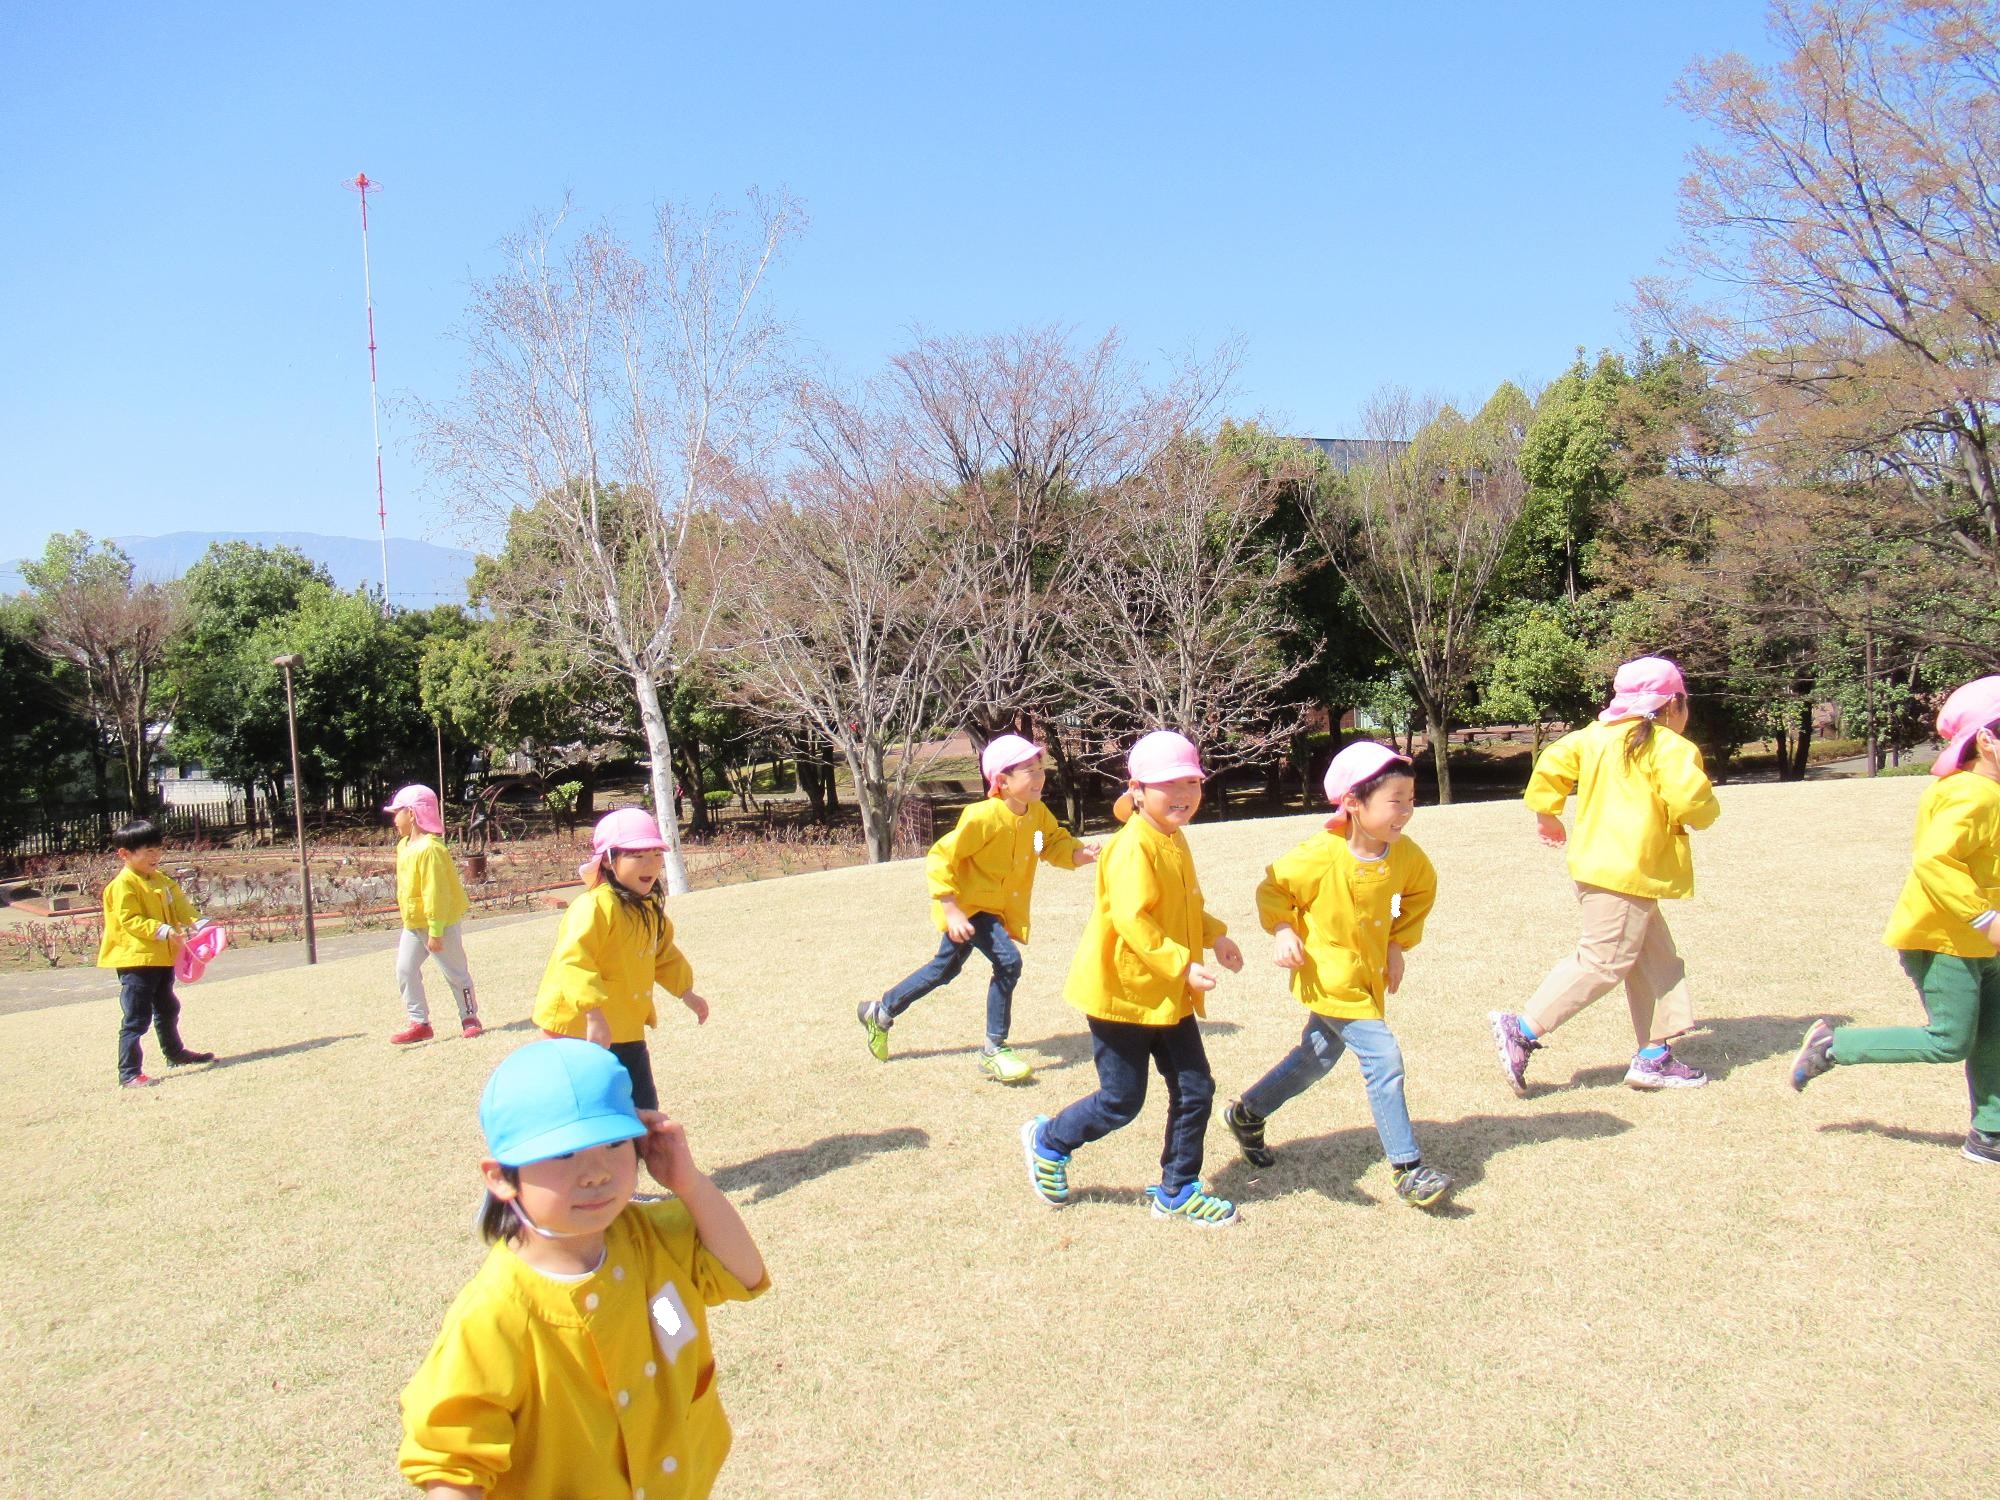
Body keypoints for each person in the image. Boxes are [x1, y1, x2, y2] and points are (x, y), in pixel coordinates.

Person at [398, 1038, 768, 1497]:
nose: (596, 1172)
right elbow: (452, 1463)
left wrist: (688, 1182)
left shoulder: (655, 1237)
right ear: (499, 1176)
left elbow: (745, 1273)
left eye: (613, 1143)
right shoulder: (495, 1313)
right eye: (563, 1153)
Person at [1020, 730, 1245, 1224]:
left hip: (1166, 995)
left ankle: (1178, 1189)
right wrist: (1182, 964)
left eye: (1192, 781)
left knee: (1195, 1089)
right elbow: (1133, 920)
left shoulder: (1173, 838)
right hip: (1120, 994)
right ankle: (1049, 1140)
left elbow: (1186, 906)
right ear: (1137, 789)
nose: (1184, 793)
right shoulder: (1132, 847)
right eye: (1170, 784)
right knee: (1121, 1101)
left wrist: (1215, 937)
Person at [1222, 742, 1453, 1208]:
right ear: (1352, 802)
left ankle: (1247, 1113)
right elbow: (1275, 889)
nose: (1406, 811)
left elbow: (1415, 894)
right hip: (1329, 974)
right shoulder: (1319, 854)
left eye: (1411, 799)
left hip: (1366, 975)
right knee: (1383, 1058)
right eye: (1395, 801)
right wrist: (1284, 930)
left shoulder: (1405, 855)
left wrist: (1395, 943)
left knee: (1316, 1057)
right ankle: (1408, 1170)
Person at [1791, 676, 2000, 1165]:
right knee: (1950, 1040)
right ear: (1986, 739)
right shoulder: (1972, 794)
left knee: (1995, 1036)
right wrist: (1986, 918)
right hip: (1944, 940)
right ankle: (1833, 1046)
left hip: (1983, 940)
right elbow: (1935, 860)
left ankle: (1989, 1132)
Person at [1490, 655, 1721, 1094]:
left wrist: (1547, 813)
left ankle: (1654, 1056)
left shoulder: (1593, 737)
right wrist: (1706, 813)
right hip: (1627, 870)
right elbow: (1693, 802)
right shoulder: (1669, 746)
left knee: (1656, 961)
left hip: (1604, 868)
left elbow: (1552, 764)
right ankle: (1522, 1028)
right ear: (1673, 704)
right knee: (1604, 959)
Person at [858, 733, 1097, 1083]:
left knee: (944, 970)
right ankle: (994, 1049)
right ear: (1002, 781)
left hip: (993, 911)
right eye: (1028, 770)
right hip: (971, 908)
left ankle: (880, 1011)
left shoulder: (1036, 817)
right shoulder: (982, 818)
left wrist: (1078, 855)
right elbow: (942, 858)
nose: (1039, 776)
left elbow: (1047, 845)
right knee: (1008, 961)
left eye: (1040, 768)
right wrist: (951, 909)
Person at [534, 808, 708, 1112]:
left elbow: (663, 954)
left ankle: (638, 1156)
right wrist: (593, 1014)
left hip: (625, 1026)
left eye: (655, 854)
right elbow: (574, 961)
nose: (650, 864)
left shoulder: (649, 906)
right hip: (576, 1031)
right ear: (608, 860)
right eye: (637, 855)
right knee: (585, 1113)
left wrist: (686, 991)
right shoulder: (593, 907)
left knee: (642, 1109)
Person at [96, 819, 214, 1088]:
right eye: (147, 851)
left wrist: (202, 924)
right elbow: (129, 919)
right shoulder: (122, 884)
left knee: (168, 1006)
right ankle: (129, 1073)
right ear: (124, 854)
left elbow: (182, 908)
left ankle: (174, 1054)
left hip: (161, 957)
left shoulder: (162, 880)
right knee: (137, 1017)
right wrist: (163, 931)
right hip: (135, 960)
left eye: (157, 849)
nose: (155, 856)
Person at [384, 785, 482, 1046]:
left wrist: (436, 931)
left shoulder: (431, 849)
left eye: (398, 813)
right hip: (414, 923)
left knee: (455, 972)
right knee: (405, 970)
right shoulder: (404, 846)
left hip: (440, 922)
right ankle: (420, 1023)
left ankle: (469, 1017)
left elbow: (435, 892)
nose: (394, 819)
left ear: (412, 814)